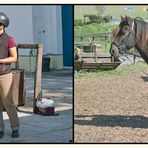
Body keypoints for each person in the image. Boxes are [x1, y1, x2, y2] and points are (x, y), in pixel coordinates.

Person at [0, 12, 19, 138]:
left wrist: (0, 60)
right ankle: (0, 129)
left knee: (8, 102)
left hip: (4, 74)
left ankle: (15, 127)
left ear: (4, 26)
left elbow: (14, 58)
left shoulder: (9, 39)